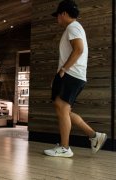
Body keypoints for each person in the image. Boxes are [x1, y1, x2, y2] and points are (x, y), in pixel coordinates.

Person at [44, 0, 107, 157]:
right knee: (63, 109)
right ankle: (94, 136)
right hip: (73, 74)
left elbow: (78, 49)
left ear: (64, 13)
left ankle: (65, 148)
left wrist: (64, 70)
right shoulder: (74, 28)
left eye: (58, 15)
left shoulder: (73, 27)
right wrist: (59, 74)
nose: (57, 19)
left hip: (72, 74)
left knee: (61, 107)